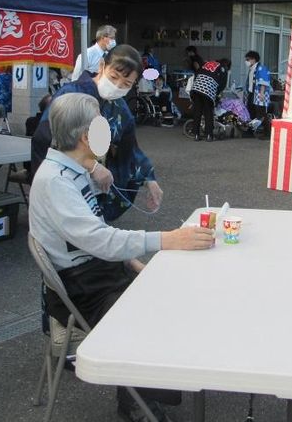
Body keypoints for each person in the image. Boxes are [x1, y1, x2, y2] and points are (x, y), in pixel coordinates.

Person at [28, 92, 213, 422]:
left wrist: (130, 262)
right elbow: (99, 239)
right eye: (102, 126)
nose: (108, 131)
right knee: (150, 315)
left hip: (96, 270)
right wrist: (169, 239)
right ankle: (137, 404)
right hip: (83, 286)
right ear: (86, 137)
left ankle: (146, 391)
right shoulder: (56, 182)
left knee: (172, 295)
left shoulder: (69, 166)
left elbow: (93, 236)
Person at [32, 45, 163, 222]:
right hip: (65, 179)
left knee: (91, 230)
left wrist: (149, 179)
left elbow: (129, 147)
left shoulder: (120, 107)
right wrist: (90, 164)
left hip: (96, 184)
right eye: (113, 77)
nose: (117, 86)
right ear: (102, 66)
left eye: (126, 84)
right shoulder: (72, 93)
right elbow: (47, 136)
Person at [190, 58, 231, 142]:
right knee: (208, 112)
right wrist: (217, 94)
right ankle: (209, 135)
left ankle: (196, 135)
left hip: (196, 88)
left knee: (197, 112)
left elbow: (196, 74)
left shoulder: (206, 63)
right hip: (208, 89)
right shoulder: (223, 68)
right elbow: (222, 84)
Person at [244, 51, 272, 136]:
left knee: (261, 113)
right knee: (250, 112)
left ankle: (267, 132)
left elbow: (263, 81)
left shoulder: (261, 68)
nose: (246, 61)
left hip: (260, 94)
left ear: (253, 59)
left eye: (248, 59)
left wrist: (262, 93)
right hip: (252, 93)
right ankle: (251, 131)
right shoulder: (252, 68)